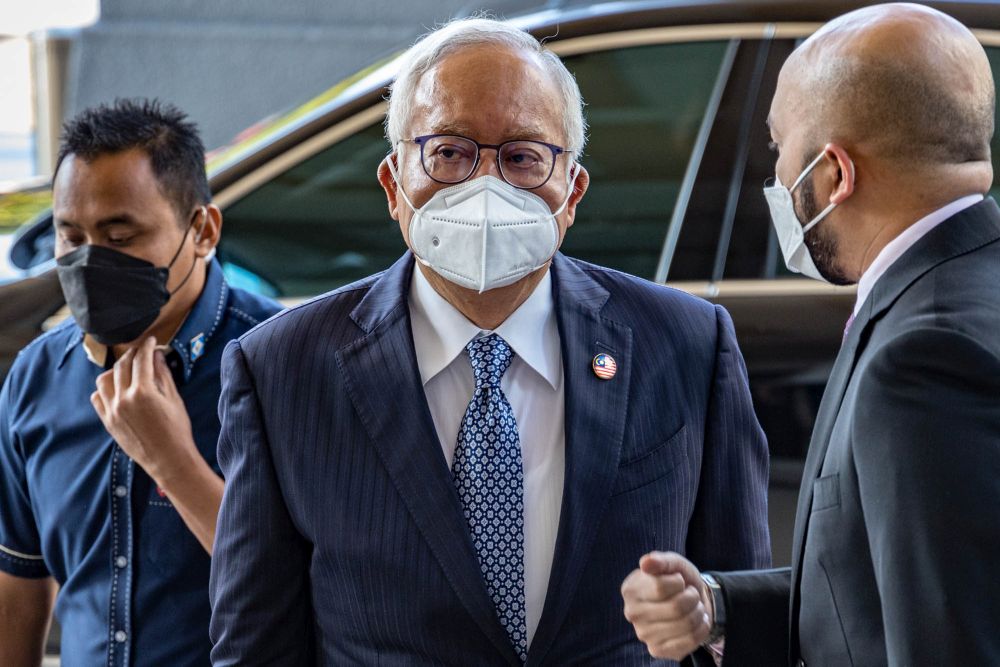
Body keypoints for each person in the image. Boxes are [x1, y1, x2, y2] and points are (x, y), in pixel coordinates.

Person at [208, 17, 770, 666]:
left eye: (523, 157)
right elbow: (256, 646)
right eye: (449, 152)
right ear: (394, 186)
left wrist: (715, 617)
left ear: (572, 194)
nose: (485, 185)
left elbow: (743, 612)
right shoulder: (284, 367)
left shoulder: (687, 345)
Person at [621, 4, 1000, 665]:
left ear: (832, 174)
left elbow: (949, 638)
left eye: (777, 148)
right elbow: (887, 582)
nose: (774, 176)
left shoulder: (921, 358)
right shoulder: (963, 290)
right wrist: (719, 607)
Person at [0, 99, 281, 667]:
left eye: (120, 236)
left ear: (202, 231)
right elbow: (17, 585)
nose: (89, 261)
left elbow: (304, 589)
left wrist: (172, 461)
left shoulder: (284, 363)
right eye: (71, 237)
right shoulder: (36, 378)